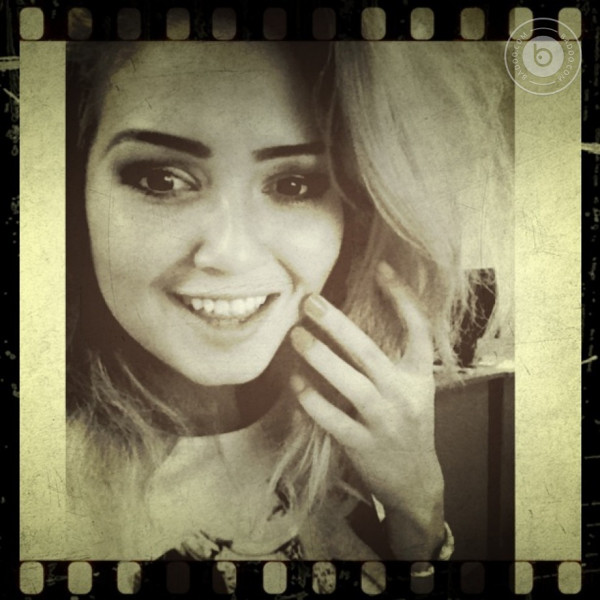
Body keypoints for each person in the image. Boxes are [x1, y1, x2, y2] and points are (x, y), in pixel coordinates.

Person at [65, 39, 511, 583]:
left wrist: (419, 505)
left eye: (292, 184)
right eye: (162, 179)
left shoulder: (329, 416)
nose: (231, 254)